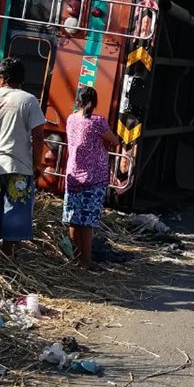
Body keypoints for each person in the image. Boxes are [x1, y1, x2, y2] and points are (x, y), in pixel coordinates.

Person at [0, 58, 47, 256]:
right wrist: (36, 163)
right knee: (15, 208)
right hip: (19, 166)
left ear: (2, 78)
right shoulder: (28, 100)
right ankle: (8, 252)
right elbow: (38, 135)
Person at [61, 85, 120, 269]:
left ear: (77, 101)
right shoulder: (98, 122)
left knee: (74, 219)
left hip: (73, 175)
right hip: (93, 178)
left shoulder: (71, 119)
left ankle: (75, 257)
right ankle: (86, 261)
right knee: (87, 222)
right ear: (94, 103)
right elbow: (114, 140)